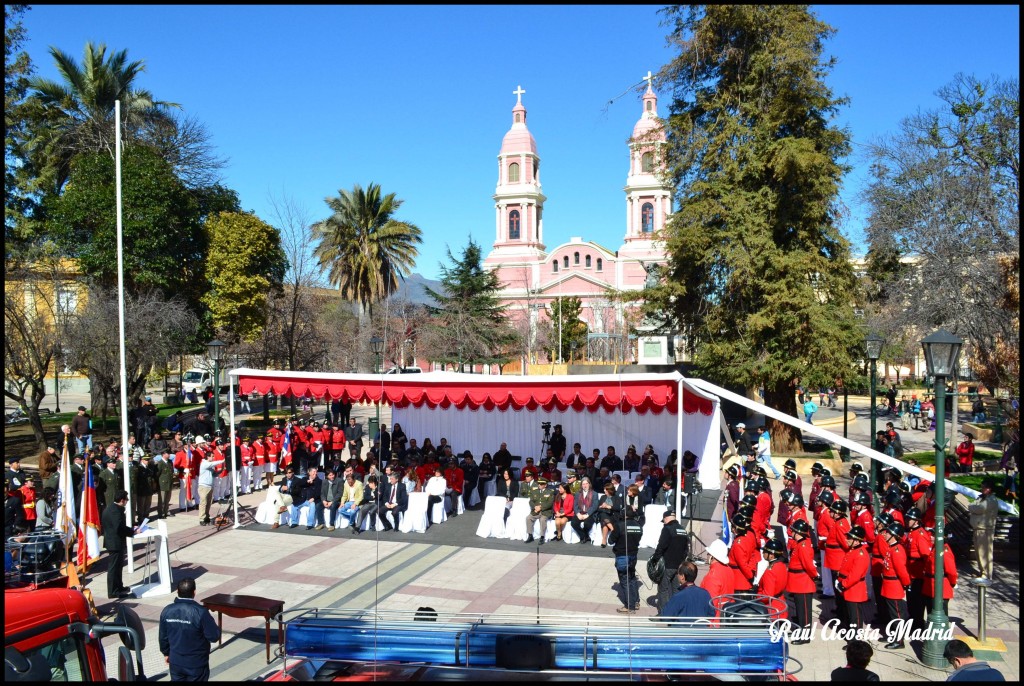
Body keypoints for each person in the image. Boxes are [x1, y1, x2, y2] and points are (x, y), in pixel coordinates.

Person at [159, 578, 221, 681]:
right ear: (194, 592)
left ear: (177, 591)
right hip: (196, 663)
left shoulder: (167, 610)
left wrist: (166, 653)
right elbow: (214, 636)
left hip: (176, 662)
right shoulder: (201, 612)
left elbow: (163, 637)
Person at [650, 510, 690, 613]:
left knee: (663, 590)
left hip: (668, 565)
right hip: (679, 566)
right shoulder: (682, 530)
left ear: (666, 518)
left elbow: (661, 547)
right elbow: (686, 550)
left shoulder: (667, 529)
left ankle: (663, 614)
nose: (663, 523)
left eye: (663, 521)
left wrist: (654, 560)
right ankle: (675, 612)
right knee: (676, 589)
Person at [102, 490, 137, 599]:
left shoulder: (114, 508)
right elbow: (119, 528)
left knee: (118, 566)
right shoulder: (115, 511)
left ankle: (119, 586)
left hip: (116, 542)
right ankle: (113, 591)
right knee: (114, 568)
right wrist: (132, 532)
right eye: (126, 499)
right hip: (114, 543)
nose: (127, 501)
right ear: (122, 500)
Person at [611, 509, 644, 613]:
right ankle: (636, 602)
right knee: (632, 578)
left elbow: (611, 540)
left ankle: (630, 606)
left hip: (622, 556)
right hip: (633, 555)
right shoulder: (638, 525)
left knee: (625, 581)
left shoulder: (619, 525)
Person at [968, 478, 999, 579]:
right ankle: (982, 571)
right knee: (979, 553)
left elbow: (979, 508)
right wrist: (973, 507)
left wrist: (973, 508)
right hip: (978, 528)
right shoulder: (981, 498)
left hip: (985, 530)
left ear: (989, 489)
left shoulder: (991, 500)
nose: (981, 489)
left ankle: (986, 574)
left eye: (983, 488)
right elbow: (973, 505)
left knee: (984, 553)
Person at [701, 539, 735, 617]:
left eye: (708, 554)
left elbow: (711, 603)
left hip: (716, 618)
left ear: (712, 557)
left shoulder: (713, 575)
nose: (707, 555)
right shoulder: (729, 569)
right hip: (727, 612)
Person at [196, 447, 225, 526]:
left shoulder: (210, 465)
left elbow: (214, 474)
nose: (213, 458)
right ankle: (202, 518)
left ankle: (206, 516)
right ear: (208, 457)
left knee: (208, 503)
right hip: (203, 487)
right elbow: (212, 464)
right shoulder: (204, 463)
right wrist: (222, 461)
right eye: (212, 456)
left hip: (209, 486)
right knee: (203, 503)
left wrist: (221, 469)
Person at [525, 477, 555, 543]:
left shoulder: (550, 492)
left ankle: (542, 537)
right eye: (538, 484)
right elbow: (531, 501)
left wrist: (541, 507)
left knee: (542, 520)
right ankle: (530, 535)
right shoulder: (535, 491)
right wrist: (535, 507)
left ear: (545, 485)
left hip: (545, 511)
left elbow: (550, 503)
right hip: (536, 511)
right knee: (528, 518)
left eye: (541, 484)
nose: (539, 485)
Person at [570, 476, 599, 543]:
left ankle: (584, 536)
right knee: (574, 523)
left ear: (589, 484)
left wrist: (587, 514)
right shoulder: (578, 494)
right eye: (583, 484)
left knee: (587, 524)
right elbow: (575, 505)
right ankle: (584, 536)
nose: (585, 485)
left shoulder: (594, 494)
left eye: (586, 484)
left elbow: (595, 506)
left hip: (590, 514)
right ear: (581, 485)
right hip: (580, 513)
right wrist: (578, 513)